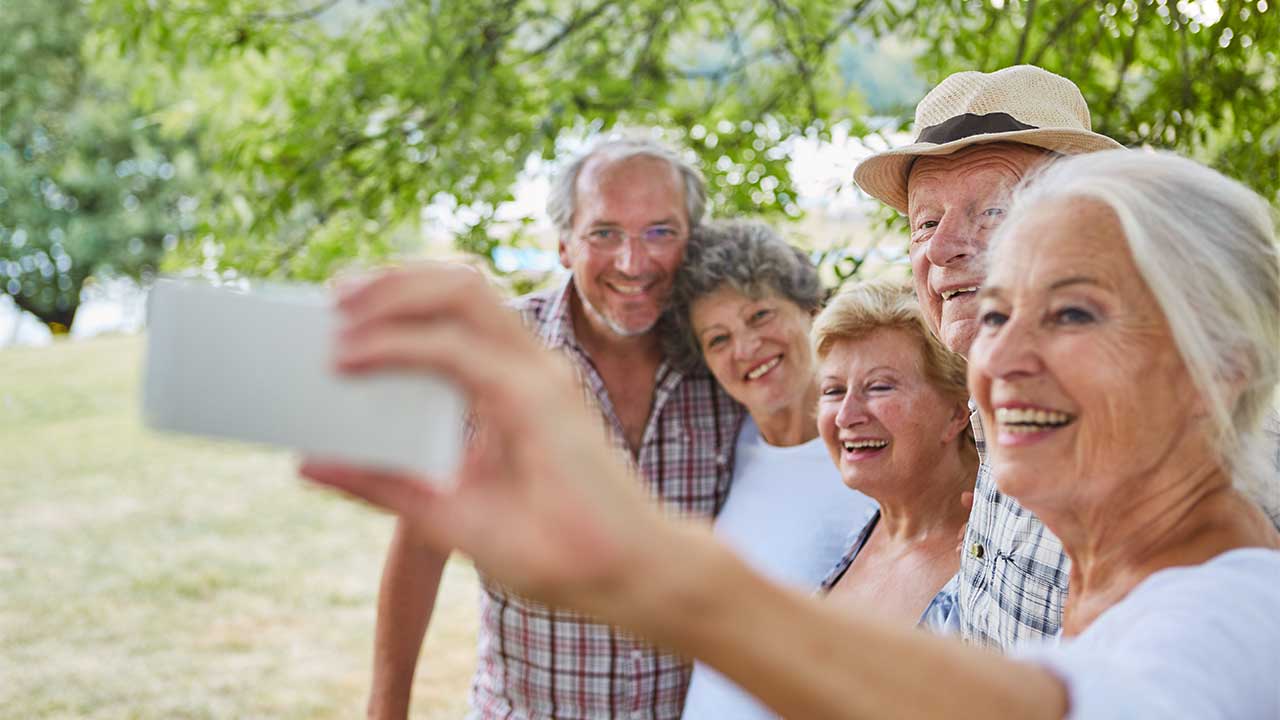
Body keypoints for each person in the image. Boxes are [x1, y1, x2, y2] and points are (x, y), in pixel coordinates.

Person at [305, 149, 1280, 718]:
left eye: (1072, 315)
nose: (1001, 358)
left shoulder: (1235, 614)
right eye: (990, 315)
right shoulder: (1091, 570)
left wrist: (641, 569)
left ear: (1217, 364)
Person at [363, 136, 744, 720]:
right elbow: (421, 543)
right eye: (604, 233)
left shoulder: (730, 358)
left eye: (661, 232)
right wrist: (386, 711)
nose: (633, 262)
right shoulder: (494, 356)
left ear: (694, 240)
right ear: (565, 244)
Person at [852, 64, 1123, 647]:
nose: (943, 248)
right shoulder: (994, 411)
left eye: (993, 211)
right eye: (925, 222)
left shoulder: (1167, 431)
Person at [664, 220, 875, 720]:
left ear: (810, 309)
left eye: (760, 315)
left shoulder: (870, 453)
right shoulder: (727, 450)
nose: (745, 348)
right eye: (718, 339)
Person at [810, 280, 975, 632]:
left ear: (958, 412)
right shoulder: (866, 528)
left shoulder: (989, 559)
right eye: (833, 390)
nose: (845, 416)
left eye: (880, 386)